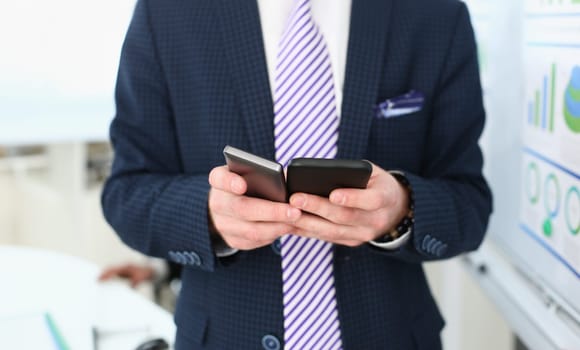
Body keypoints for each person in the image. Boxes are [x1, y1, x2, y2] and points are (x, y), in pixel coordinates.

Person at [101, 0, 492, 349]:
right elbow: (127, 193)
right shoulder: (166, 12)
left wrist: (401, 210)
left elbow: (469, 205)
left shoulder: (436, 14)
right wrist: (206, 215)